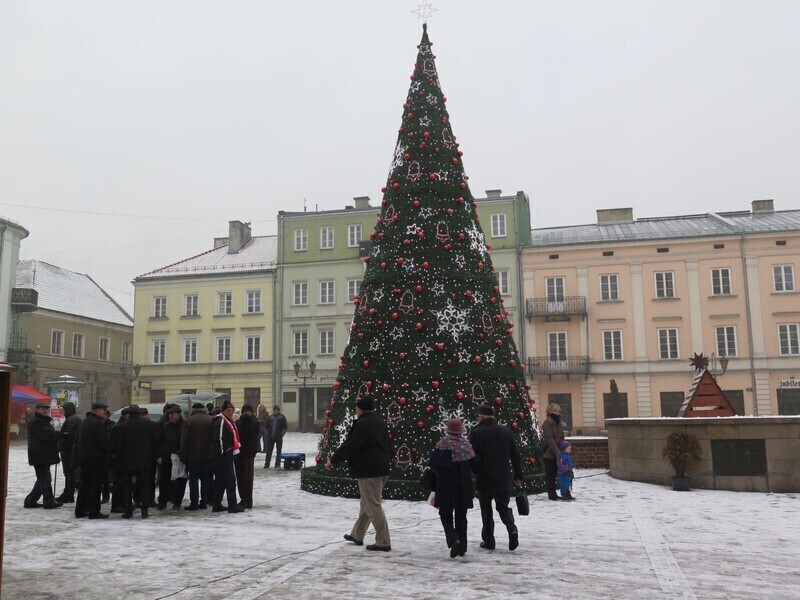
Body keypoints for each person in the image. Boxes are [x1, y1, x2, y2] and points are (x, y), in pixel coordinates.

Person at [325, 395, 393, 552]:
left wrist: (333, 461)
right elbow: (389, 444)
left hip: (369, 470)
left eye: (357, 407)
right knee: (367, 503)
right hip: (381, 468)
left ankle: (383, 541)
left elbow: (350, 445)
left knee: (373, 506)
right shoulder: (380, 423)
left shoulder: (363, 425)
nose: (355, 410)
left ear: (361, 409)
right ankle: (357, 534)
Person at [469, 405, 523, 552]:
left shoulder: (476, 432)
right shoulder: (506, 431)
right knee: (503, 506)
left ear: (482, 417)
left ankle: (489, 540)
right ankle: (512, 528)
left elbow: (471, 456)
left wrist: (475, 470)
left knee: (486, 509)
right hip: (504, 475)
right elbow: (515, 454)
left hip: (485, 476)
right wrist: (518, 475)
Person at [430, 418, 475, 558]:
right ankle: (462, 547)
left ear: (448, 429)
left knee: (445, 513)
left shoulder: (442, 444)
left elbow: (433, 463)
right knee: (461, 515)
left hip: (446, 484)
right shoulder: (466, 444)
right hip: (464, 484)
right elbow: (474, 464)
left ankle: (453, 538)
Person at [111, 404, 160, 519]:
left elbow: (118, 446)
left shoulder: (123, 426)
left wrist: (118, 458)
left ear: (129, 413)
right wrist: (153, 457)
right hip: (145, 462)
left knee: (128, 486)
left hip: (127, 463)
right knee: (144, 485)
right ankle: (144, 509)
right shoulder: (150, 425)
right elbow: (155, 443)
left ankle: (128, 510)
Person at [74, 402, 110, 519]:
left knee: (85, 485)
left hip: (84, 457)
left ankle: (80, 510)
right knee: (96, 485)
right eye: (103, 409)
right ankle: (94, 511)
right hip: (96, 458)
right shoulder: (97, 423)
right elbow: (103, 443)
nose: (104, 411)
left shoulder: (85, 422)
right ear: (95, 410)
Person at [24, 403, 62, 509]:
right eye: (42, 409)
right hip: (40, 454)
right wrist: (58, 434)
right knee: (45, 478)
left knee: (42, 478)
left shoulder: (41, 421)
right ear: (37, 410)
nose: (45, 410)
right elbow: (47, 435)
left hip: (42, 454)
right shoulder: (37, 422)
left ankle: (30, 500)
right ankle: (48, 501)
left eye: (46, 409)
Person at [210, 400, 243, 513]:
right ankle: (232, 506)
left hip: (226, 455)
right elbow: (218, 440)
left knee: (221, 481)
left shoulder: (229, 421)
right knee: (230, 481)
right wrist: (222, 455)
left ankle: (217, 504)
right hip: (223, 457)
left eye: (231, 410)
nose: (230, 412)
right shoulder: (221, 422)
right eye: (228, 410)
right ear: (223, 411)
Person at [180, 403, 213, 511]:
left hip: (193, 456)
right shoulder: (209, 420)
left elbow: (184, 440)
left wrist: (183, 456)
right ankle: (204, 502)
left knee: (193, 481)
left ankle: (194, 503)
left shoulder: (189, 420)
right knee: (205, 480)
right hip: (207, 456)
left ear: (193, 409)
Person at [158, 405, 187, 509]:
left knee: (180, 480)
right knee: (164, 480)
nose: (170, 416)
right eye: (169, 414)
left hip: (180, 457)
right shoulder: (165, 426)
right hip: (167, 457)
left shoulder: (184, 426)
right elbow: (161, 441)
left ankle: (177, 502)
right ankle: (162, 501)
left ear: (178, 415)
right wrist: (160, 455)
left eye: (172, 414)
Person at [56, 401, 81, 504]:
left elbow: (67, 436)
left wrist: (59, 443)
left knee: (69, 473)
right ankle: (67, 493)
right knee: (69, 474)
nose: (63, 412)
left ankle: (68, 495)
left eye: (64, 410)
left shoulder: (72, 420)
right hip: (70, 450)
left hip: (68, 451)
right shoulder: (74, 419)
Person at [235, 404, 259, 509]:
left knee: (248, 478)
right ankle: (243, 498)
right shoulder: (238, 423)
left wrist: (254, 451)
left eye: (249, 411)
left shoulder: (254, 423)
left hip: (249, 455)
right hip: (240, 454)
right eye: (245, 411)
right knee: (240, 477)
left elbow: (255, 437)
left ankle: (248, 500)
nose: (247, 413)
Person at [542, 403, 566, 501]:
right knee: (550, 474)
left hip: (558, 451)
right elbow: (549, 438)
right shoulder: (547, 422)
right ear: (550, 412)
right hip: (549, 452)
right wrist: (556, 451)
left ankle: (556, 493)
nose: (558, 413)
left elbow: (561, 436)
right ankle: (551, 494)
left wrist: (564, 447)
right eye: (556, 411)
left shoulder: (558, 422)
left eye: (558, 411)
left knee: (556, 473)